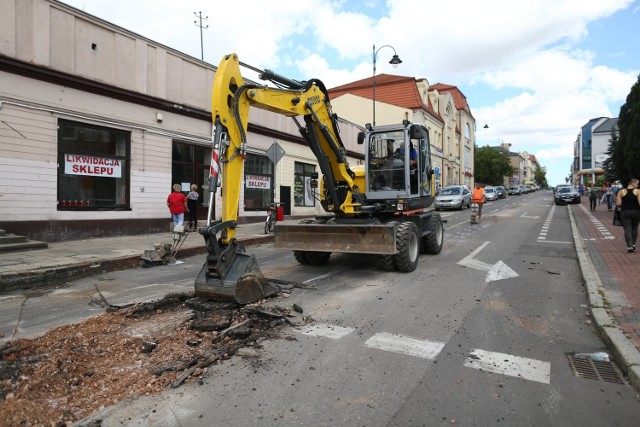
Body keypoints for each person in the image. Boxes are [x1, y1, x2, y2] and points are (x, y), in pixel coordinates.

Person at [615, 178, 640, 253]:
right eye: (637, 183)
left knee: (627, 229)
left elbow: (618, 204)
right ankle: (633, 244)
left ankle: (629, 247)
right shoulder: (638, 191)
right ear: (633, 183)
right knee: (635, 228)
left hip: (625, 212)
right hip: (636, 212)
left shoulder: (621, 191)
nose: (638, 185)